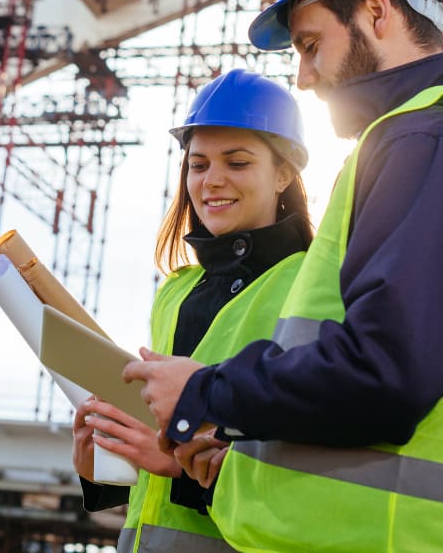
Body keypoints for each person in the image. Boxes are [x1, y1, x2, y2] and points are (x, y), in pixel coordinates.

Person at [123, 0, 443, 552]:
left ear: (377, 12)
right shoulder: (419, 140)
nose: (303, 77)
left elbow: (385, 373)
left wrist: (206, 390)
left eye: (310, 45)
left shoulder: (429, 139)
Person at [71, 69, 313, 553]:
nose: (211, 181)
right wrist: (108, 465)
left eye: (237, 162)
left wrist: (178, 464)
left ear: (284, 173)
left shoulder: (311, 285)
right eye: (198, 164)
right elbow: (156, 458)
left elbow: (312, 464)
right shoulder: (176, 291)